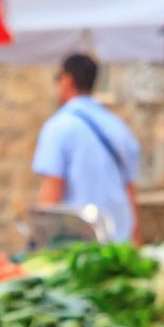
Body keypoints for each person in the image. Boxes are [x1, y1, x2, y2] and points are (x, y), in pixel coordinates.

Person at [33, 53, 142, 241]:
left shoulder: (60, 126)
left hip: (79, 245)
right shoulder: (118, 126)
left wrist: (38, 241)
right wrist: (136, 239)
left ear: (68, 80)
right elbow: (130, 189)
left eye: (58, 78)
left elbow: (52, 190)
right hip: (119, 241)